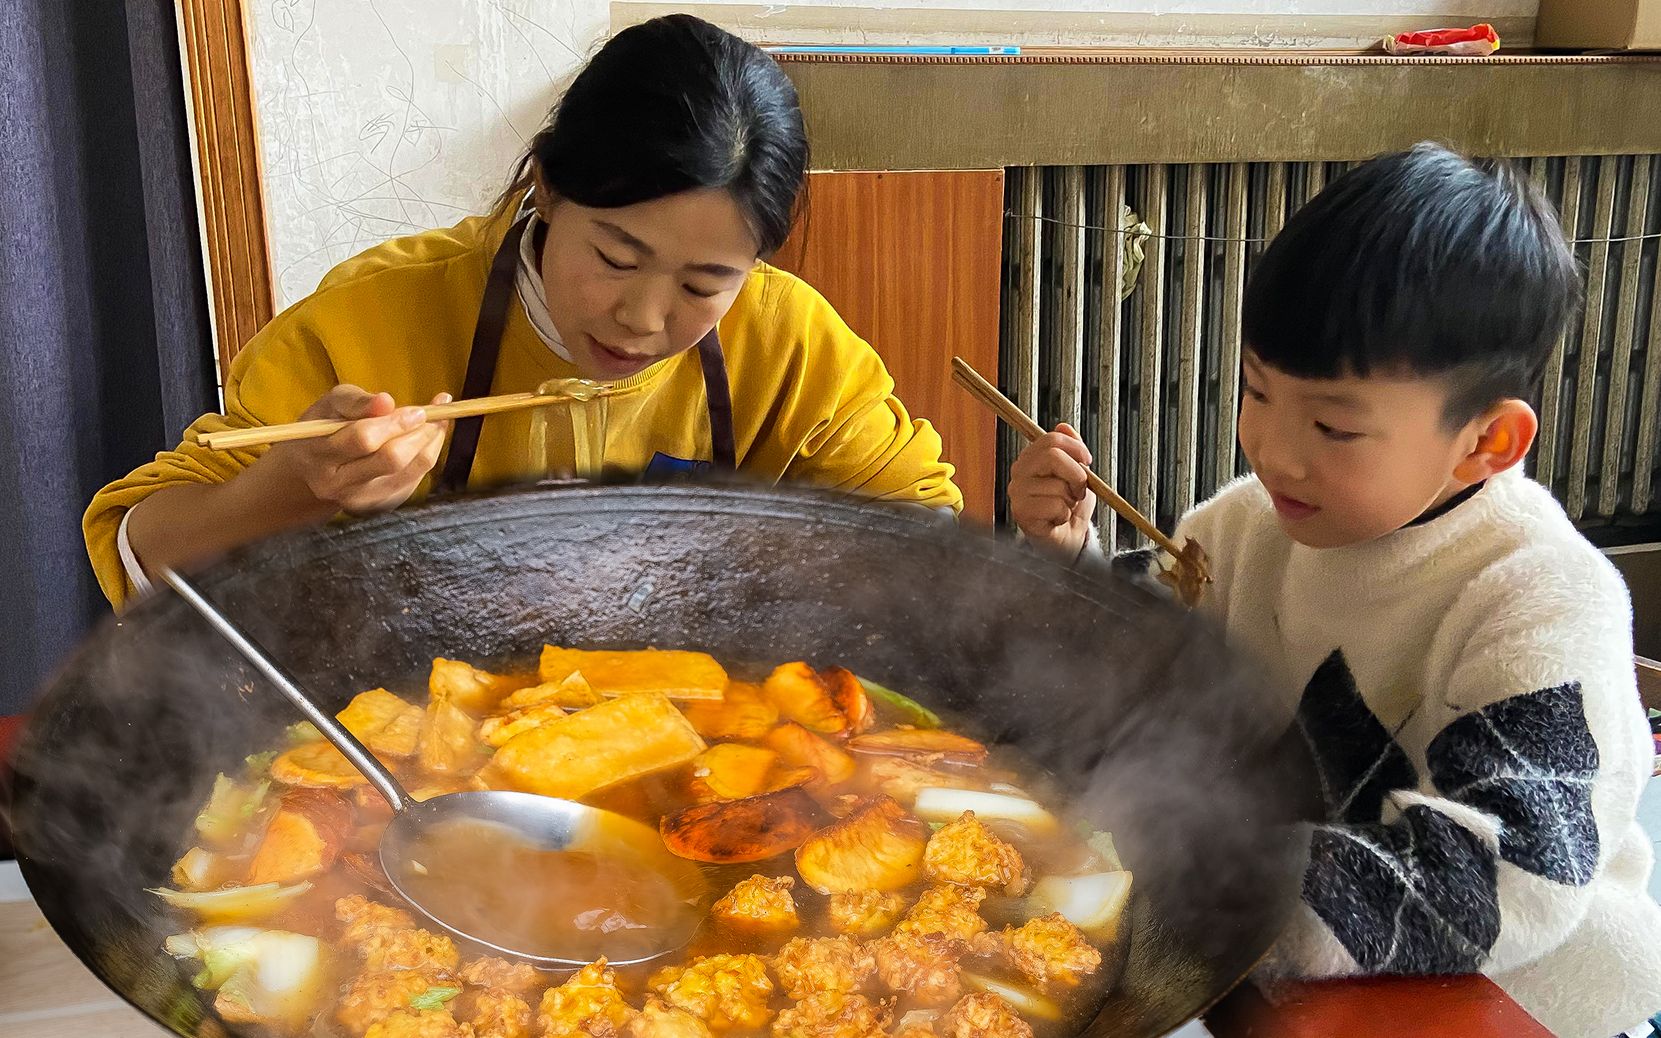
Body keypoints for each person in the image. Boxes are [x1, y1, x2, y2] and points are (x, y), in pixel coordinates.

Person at [1010, 143, 1661, 1037]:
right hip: (1287, 953)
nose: (1274, 450)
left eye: (1332, 426)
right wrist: (1067, 556)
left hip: (1524, 992)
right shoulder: (1245, 527)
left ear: (1487, 444)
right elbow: (1133, 670)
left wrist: (1210, 874)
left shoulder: (1539, 596)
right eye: (1254, 393)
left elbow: (1511, 878)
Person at [84, 14, 960, 609]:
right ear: (544, 186)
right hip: (411, 756)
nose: (643, 319)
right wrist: (298, 484)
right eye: (616, 257)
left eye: (704, 285)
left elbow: (922, 546)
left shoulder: (791, 343)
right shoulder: (371, 322)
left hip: (713, 748)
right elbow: (139, 555)